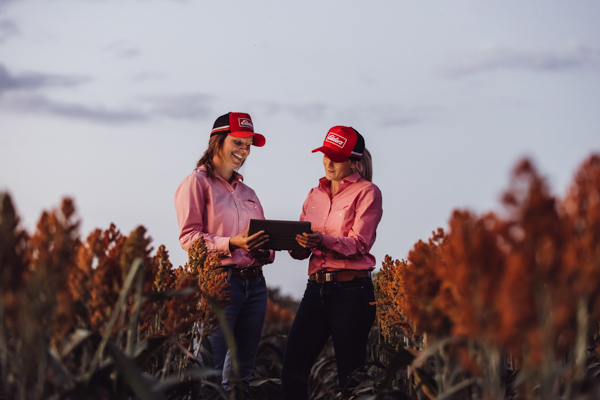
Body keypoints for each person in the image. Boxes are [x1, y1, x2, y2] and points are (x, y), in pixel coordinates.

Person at [174, 112, 274, 399]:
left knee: (242, 375)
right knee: (210, 372)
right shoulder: (196, 183)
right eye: (238, 142)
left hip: (255, 286)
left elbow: (262, 240)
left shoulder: (248, 192)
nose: (244, 151)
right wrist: (231, 243)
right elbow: (189, 237)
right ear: (217, 141)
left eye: (248, 145)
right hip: (219, 283)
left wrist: (264, 249)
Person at [281, 126, 383, 399]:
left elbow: (359, 244)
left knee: (350, 380)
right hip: (315, 291)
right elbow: (300, 251)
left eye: (336, 158)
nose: (328, 162)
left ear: (354, 162)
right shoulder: (314, 194)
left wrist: (322, 240)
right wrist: (294, 244)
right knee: (292, 372)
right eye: (326, 155)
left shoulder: (368, 192)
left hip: (351, 293)